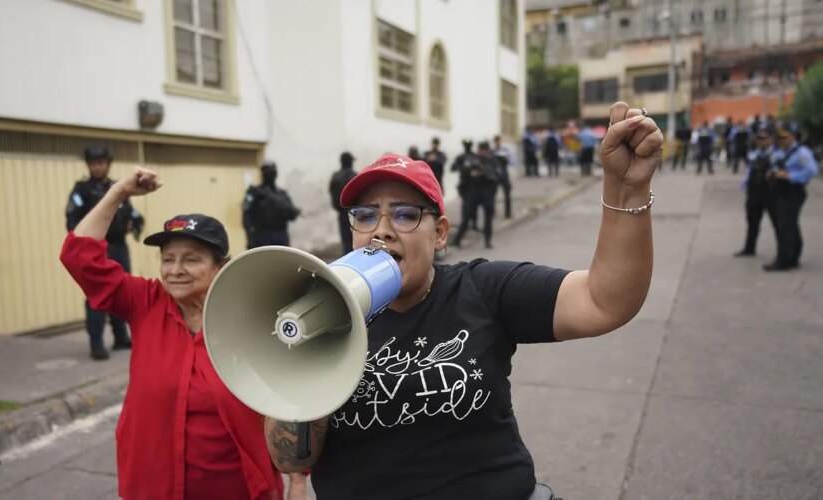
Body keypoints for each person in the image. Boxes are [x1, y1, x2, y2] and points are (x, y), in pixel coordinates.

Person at [262, 102, 662, 500]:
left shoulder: (482, 289)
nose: (381, 230)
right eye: (365, 216)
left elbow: (604, 300)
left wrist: (626, 189)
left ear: (439, 234)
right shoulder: (322, 314)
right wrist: (307, 352)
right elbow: (291, 460)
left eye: (404, 214)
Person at [60, 167, 307, 499]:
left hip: (238, 488)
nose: (175, 271)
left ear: (221, 266)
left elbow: (289, 398)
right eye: (168, 259)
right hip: (153, 486)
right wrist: (118, 193)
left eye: (191, 259)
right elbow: (78, 257)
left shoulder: (252, 319)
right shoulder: (145, 302)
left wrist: (297, 480)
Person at [66, 145, 141, 360]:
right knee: (96, 296)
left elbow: (132, 212)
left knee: (122, 289)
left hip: (119, 247)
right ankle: (96, 343)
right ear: (89, 165)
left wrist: (135, 222)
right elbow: (72, 220)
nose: (98, 166)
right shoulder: (81, 191)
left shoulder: (118, 189)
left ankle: (120, 336)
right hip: (98, 249)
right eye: (94, 163)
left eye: (101, 162)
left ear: (108, 164)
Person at [764, 129, 819, 271]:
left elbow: (812, 170)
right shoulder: (780, 152)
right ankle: (793, 257)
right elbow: (775, 165)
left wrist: (789, 176)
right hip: (781, 191)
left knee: (785, 226)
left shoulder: (802, 152)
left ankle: (783, 260)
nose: (782, 141)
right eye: (780, 138)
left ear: (793, 137)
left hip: (793, 191)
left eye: (785, 138)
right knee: (790, 225)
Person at [734, 130, 778, 257]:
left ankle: (783, 252)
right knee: (752, 222)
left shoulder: (777, 155)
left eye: (764, 139)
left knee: (778, 223)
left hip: (771, 192)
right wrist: (745, 186)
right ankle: (749, 248)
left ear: (770, 140)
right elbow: (749, 172)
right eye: (759, 139)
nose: (761, 141)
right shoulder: (753, 154)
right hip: (754, 192)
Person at [452, 141, 499, 249]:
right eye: (481, 150)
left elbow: (496, 176)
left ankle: (487, 240)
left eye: (484, 150)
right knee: (467, 216)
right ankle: (457, 240)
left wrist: (484, 173)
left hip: (486, 192)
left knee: (488, 217)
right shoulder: (473, 159)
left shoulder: (492, 161)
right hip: (473, 190)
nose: (482, 152)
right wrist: (470, 172)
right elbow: (464, 171)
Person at [243, 161, 301, 248]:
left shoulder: (282, 194)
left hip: (280, 234)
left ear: (275, 174)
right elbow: (246, 216)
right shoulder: (255, 193)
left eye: (271, 173)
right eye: (266, 173)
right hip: (262, 236)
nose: (269, 176)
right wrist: (250, 237)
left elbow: (292, 215)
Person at [329, 152, 359, 255]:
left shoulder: (335, 176)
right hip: (354, 213)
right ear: (350, 162)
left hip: (341, 213)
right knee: (356, 241)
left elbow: (331, 192)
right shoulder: (354, 175)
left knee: (346, 241)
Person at [451, 139, 480, 231]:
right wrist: (462, 167)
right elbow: (453, 167)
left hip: (475, 183)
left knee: (474, 204)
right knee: (465, 205)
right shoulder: (461, 157)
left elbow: (480, 167)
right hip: (464, 184)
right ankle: (465, 223)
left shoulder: (475, 156)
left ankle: (474, 223)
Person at [492, 135, 513, 218]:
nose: (497, 143)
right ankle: (492, 212)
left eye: (499, 141)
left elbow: (512, 161)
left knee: (507, 194)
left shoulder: (505, 150)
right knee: (493, 195)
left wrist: (506, 159)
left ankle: (508, 213)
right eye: (496, 141)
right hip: (495, 175)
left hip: (504, 174)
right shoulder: (492, 151)